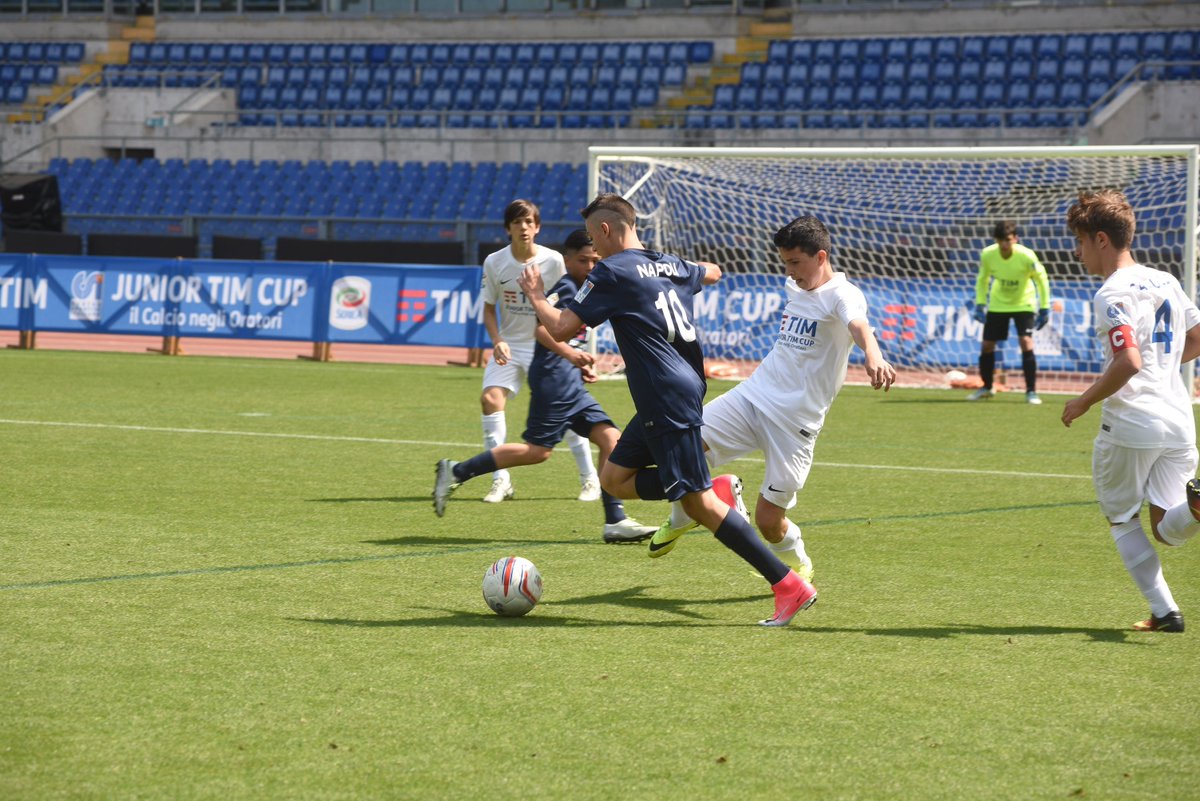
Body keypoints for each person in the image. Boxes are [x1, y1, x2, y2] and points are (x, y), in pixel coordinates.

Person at [517, 193, 817, 627]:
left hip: (664, 395)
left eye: (595, 241)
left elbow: (562, 325)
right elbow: (712, 272)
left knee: (698, 505)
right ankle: (709, 485)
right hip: (683, 388)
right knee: (614, 479)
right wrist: (693, 274)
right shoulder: (670, 263)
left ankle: (788, 585)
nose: (594, 252)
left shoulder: (611, 271)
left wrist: (536, 295)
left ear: (605, 230)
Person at [653, 215, 896, 580]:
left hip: (795, 424)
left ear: (821, 256)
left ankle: (798, 564)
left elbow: (858, 324)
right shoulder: (794, 286)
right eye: (785, 263)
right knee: (683, 448)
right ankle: (685, 514)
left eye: (796, 262)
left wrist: (873, 354)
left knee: (769, 522)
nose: (791, 272)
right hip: (753, 396)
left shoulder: (844, 295)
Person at [434, 230, 657, 543]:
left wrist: (577, 362)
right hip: (553, 378)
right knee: (538, 452)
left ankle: (615, 521)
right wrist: (572, 354)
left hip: (567, 378)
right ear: (566, 260)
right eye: (583, 260)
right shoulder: (567, 286)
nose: (591, 265)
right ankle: (456, 471)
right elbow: (540, 329)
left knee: (611, 439)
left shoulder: (589, 286)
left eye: (595, 259)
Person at [1061, 189, 1200, 633]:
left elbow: (1129, 361)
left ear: (1101, 239)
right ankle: (1197, 507)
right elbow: (1196, 339)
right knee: (1168, 527)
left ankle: (1165, 611)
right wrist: (1161, 365)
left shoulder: (1111, 293)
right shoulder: (1167, 281)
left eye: (1080, 242)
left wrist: (1083, 401)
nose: (1077, 252)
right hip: (1179, 419)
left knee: (1121, 517)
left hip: (1132, 421)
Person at [479, 199, 599, 504]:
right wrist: (496, 340)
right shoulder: (494, 262)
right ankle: (500, 480)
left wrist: (573, 349)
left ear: (538, 227)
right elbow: (489, 309)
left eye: (529, 222)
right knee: (490, 399)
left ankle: (590, 479)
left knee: (568, 415)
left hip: (549, 347)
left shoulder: (554, 261)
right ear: (508, 228)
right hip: (511, 344)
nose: (524, 227)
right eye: (517, 222)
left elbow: (570, 308)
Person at [968, 220, 1052, 404]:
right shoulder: (988, 255)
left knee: (1026, 341)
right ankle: (987, 387)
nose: (1005, 244)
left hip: (1024, 302)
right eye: (1001, 240)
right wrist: (980, 303)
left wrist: (1045, 306)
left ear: (1015, 239)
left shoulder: (1026, 256)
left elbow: (1042, 279)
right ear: (995, 240)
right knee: (987, 345)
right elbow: (983, 279)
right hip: (998, 304)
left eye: (1008, 240)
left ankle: (1031, 391)